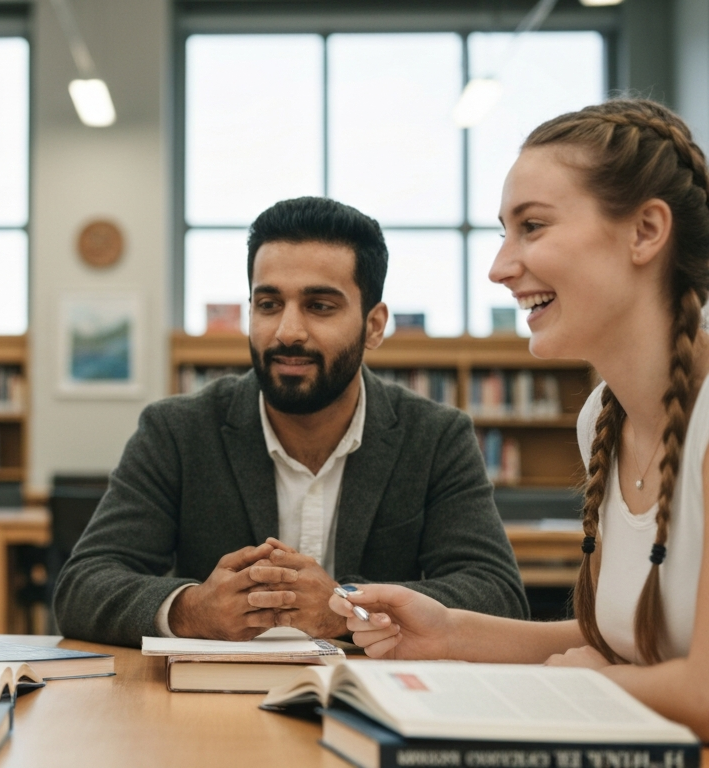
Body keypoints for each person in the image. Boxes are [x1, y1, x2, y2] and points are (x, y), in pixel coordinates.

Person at [331, 99, 709, 739]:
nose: (500, 266)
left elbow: (698, 689)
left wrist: (576, 682)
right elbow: (622, 645)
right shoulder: (603, 418)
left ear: (646, 231)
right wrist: (447, 632)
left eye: (531, 227)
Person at [54, 196, 527, 647]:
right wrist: (191, 609)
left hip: (370, 699)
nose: (288, 331)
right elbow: (83, 584)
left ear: (374, 325)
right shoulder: (177, 431)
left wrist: (346, 607)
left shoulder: (435, 437)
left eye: (320, 306)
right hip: (213, 707)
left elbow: (497, 597)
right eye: (269, 304)